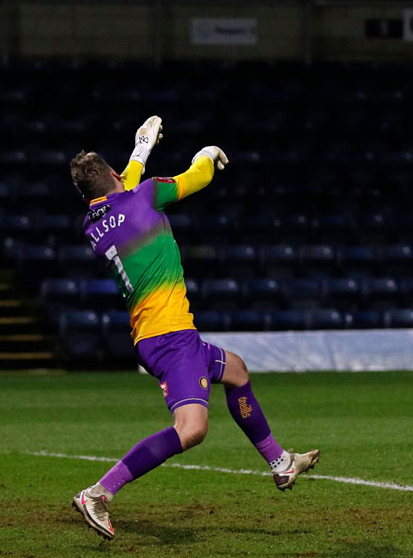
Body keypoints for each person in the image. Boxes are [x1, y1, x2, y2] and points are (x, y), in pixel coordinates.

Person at [68, 115, 320, 541]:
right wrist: (205, 154)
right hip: (170, 336)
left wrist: (140, 150)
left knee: (236, 371)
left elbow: (123, 187)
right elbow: (194, 178)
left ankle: (280, 463)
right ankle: (98, 493)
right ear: (112, 175)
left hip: (156, 334)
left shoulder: (93, 224)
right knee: (193, 430)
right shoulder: (143, 196)